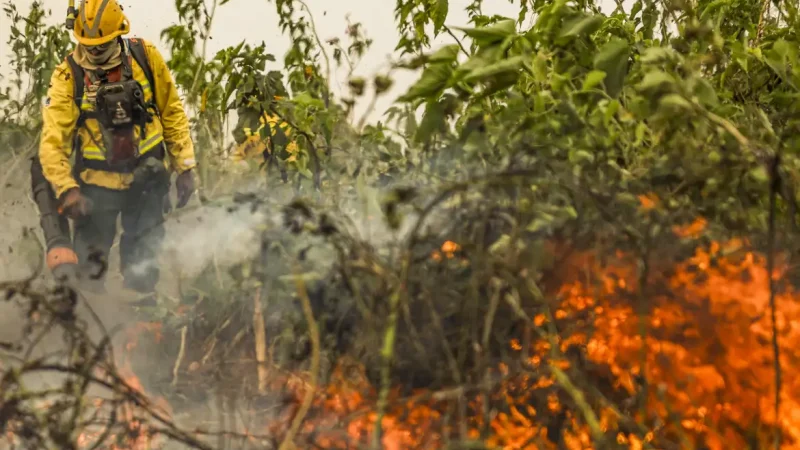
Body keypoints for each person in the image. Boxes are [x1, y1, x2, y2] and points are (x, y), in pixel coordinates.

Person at [38, 0, 196, 301]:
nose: (95, 53)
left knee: (143, 263)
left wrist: (185, 165)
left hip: (146, 181)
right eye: (88, 46)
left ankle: (145, 324)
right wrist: (67, 189)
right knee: (90, 273)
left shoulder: (144, 57)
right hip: (97, 188)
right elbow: (52, 142)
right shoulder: (68, 75)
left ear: (118, 35)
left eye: (101, 46)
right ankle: (95, 328)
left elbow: (172, 111)